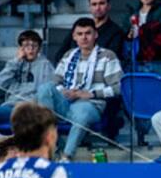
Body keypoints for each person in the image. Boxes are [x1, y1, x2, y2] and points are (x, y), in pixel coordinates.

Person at [37, 18, 123, 161]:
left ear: (96, 35)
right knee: (45, 88)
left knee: (82, 112)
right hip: (66, 101)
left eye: (88, 33)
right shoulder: (68, 56)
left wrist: (91, 94)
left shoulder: (107, 56)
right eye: (80, 34)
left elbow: (119, 87)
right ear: (74, 36)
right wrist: (64, 91)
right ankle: (55, 146)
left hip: (91, 104)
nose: (84, 37)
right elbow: (56, 81)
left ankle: (66, 156)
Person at [0, 30, 53, 160]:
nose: (30, 50)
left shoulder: (45, 65)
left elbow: (45, 91)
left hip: (30, 109)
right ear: (20, 48)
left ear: (39, 48)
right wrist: (16, 61)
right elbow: (0, 82)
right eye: (25, 46)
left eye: (33, 46)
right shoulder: (14, 63)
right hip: (10, 107)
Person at [57, 0, 126, 60]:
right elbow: (60, 55)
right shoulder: (79, 27)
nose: (97, 8)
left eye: (101, 3)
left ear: (108, 6)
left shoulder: (116, 32)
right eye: (94, 4)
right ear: (89, 7)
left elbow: (111, 58)